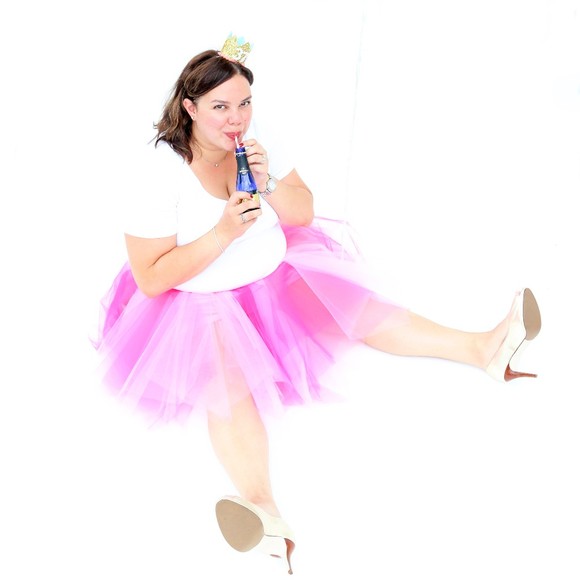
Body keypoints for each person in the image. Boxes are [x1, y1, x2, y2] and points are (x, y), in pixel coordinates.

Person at [92, 35, 542, 575]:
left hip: (274, 272)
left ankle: (484, 348)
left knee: (361, 310)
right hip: (199, 299)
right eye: (220, 107)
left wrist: (268, 182)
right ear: (189, 108)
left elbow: (301, 212)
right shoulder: (156, 173)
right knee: (227, 387)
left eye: (244, 103)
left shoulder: (254, 140)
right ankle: (263, 509)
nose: (236, 118)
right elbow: (150, 278)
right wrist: (222, 233)